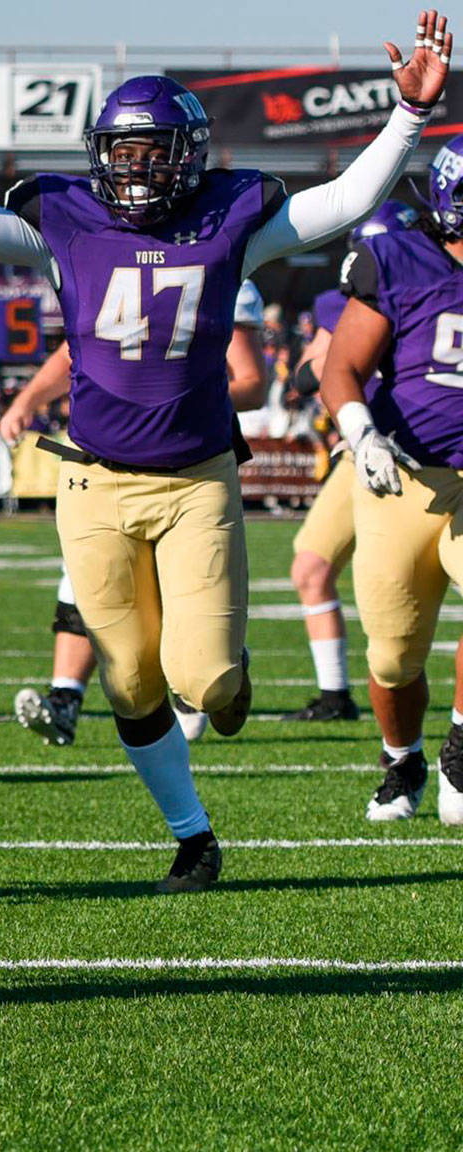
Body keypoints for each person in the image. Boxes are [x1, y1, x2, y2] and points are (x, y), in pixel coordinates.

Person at [0, 17, 450, 890]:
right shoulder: (64, 219)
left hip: (194, 483)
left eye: (153, 152)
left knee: (207, 681)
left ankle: (231, 680)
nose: (136, 167)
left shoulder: (231, 217)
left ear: (188, 154)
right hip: (92, 480)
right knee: (131, 680)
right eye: (124, 152)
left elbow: (341, 202)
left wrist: (408, 115)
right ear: (101, 154)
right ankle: (192, 834)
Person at [2, 281, 268, 745]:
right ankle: (66, 697)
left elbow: (252, 382)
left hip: (187, 462)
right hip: (103, 457)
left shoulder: (221, 264)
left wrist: (173, 395)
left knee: (178, 590)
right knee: (85, 577)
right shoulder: (107, 261)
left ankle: (207, 673)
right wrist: (28, 401)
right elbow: (76, 353)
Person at [319, 138, 463, 824]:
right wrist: (361, 434)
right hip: (401, 474)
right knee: (394, 656)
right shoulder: (402, 259)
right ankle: (402, 758)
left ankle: (460, 749)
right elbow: (340, 367)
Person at [283, 201, 420, 722]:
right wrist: (342, 363)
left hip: (432, 458)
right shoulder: (338, 302)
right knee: (311, 566)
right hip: (364, 452)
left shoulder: (437, 290)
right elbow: (306, 375)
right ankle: (335, 694)